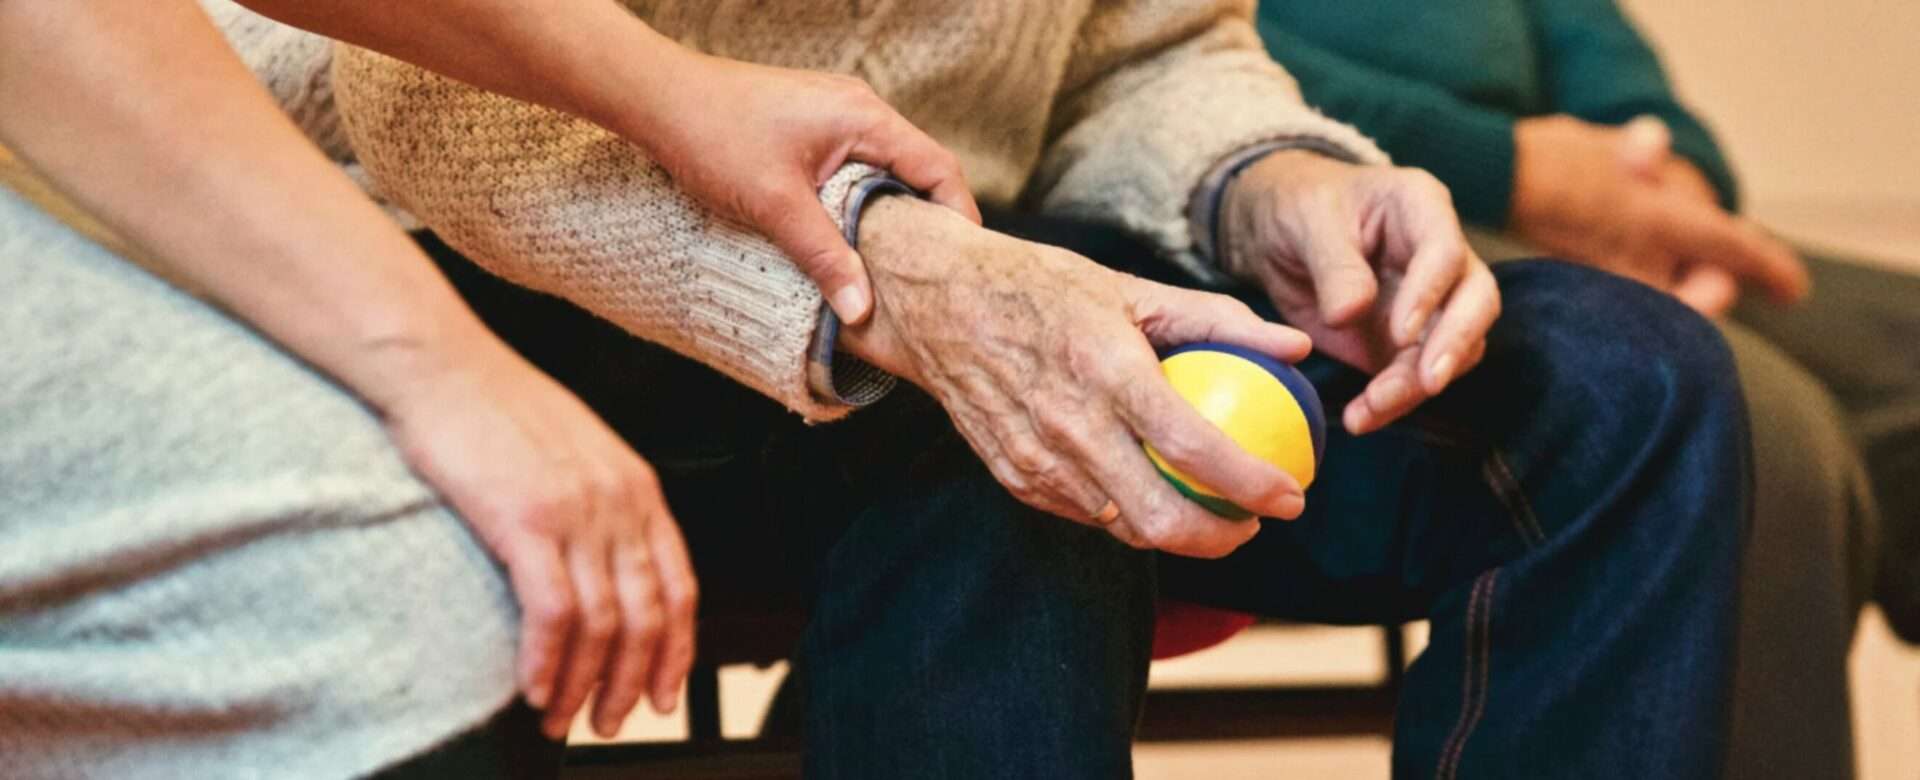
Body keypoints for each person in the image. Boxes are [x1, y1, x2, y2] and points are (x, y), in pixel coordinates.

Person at [8, 4, 1749, 780]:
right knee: (999, 460)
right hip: (507, 267)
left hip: (988, 253)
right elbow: (429, 97)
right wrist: (899, 281)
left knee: (1626, 389)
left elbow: (1149, 43)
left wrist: (1271, 184)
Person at [0, 0, 973, 777]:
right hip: (368, 204)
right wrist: (444, 371)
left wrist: (688, 98)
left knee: (991, 452)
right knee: (400, 607)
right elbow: (392, 90)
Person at [1249, 2, 1920, 776]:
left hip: (1564, 207)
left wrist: (1668, 181)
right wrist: (1515, 173)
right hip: (1307, 212)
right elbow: (1157, 56)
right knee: (1728, 413)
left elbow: (1580, 25)